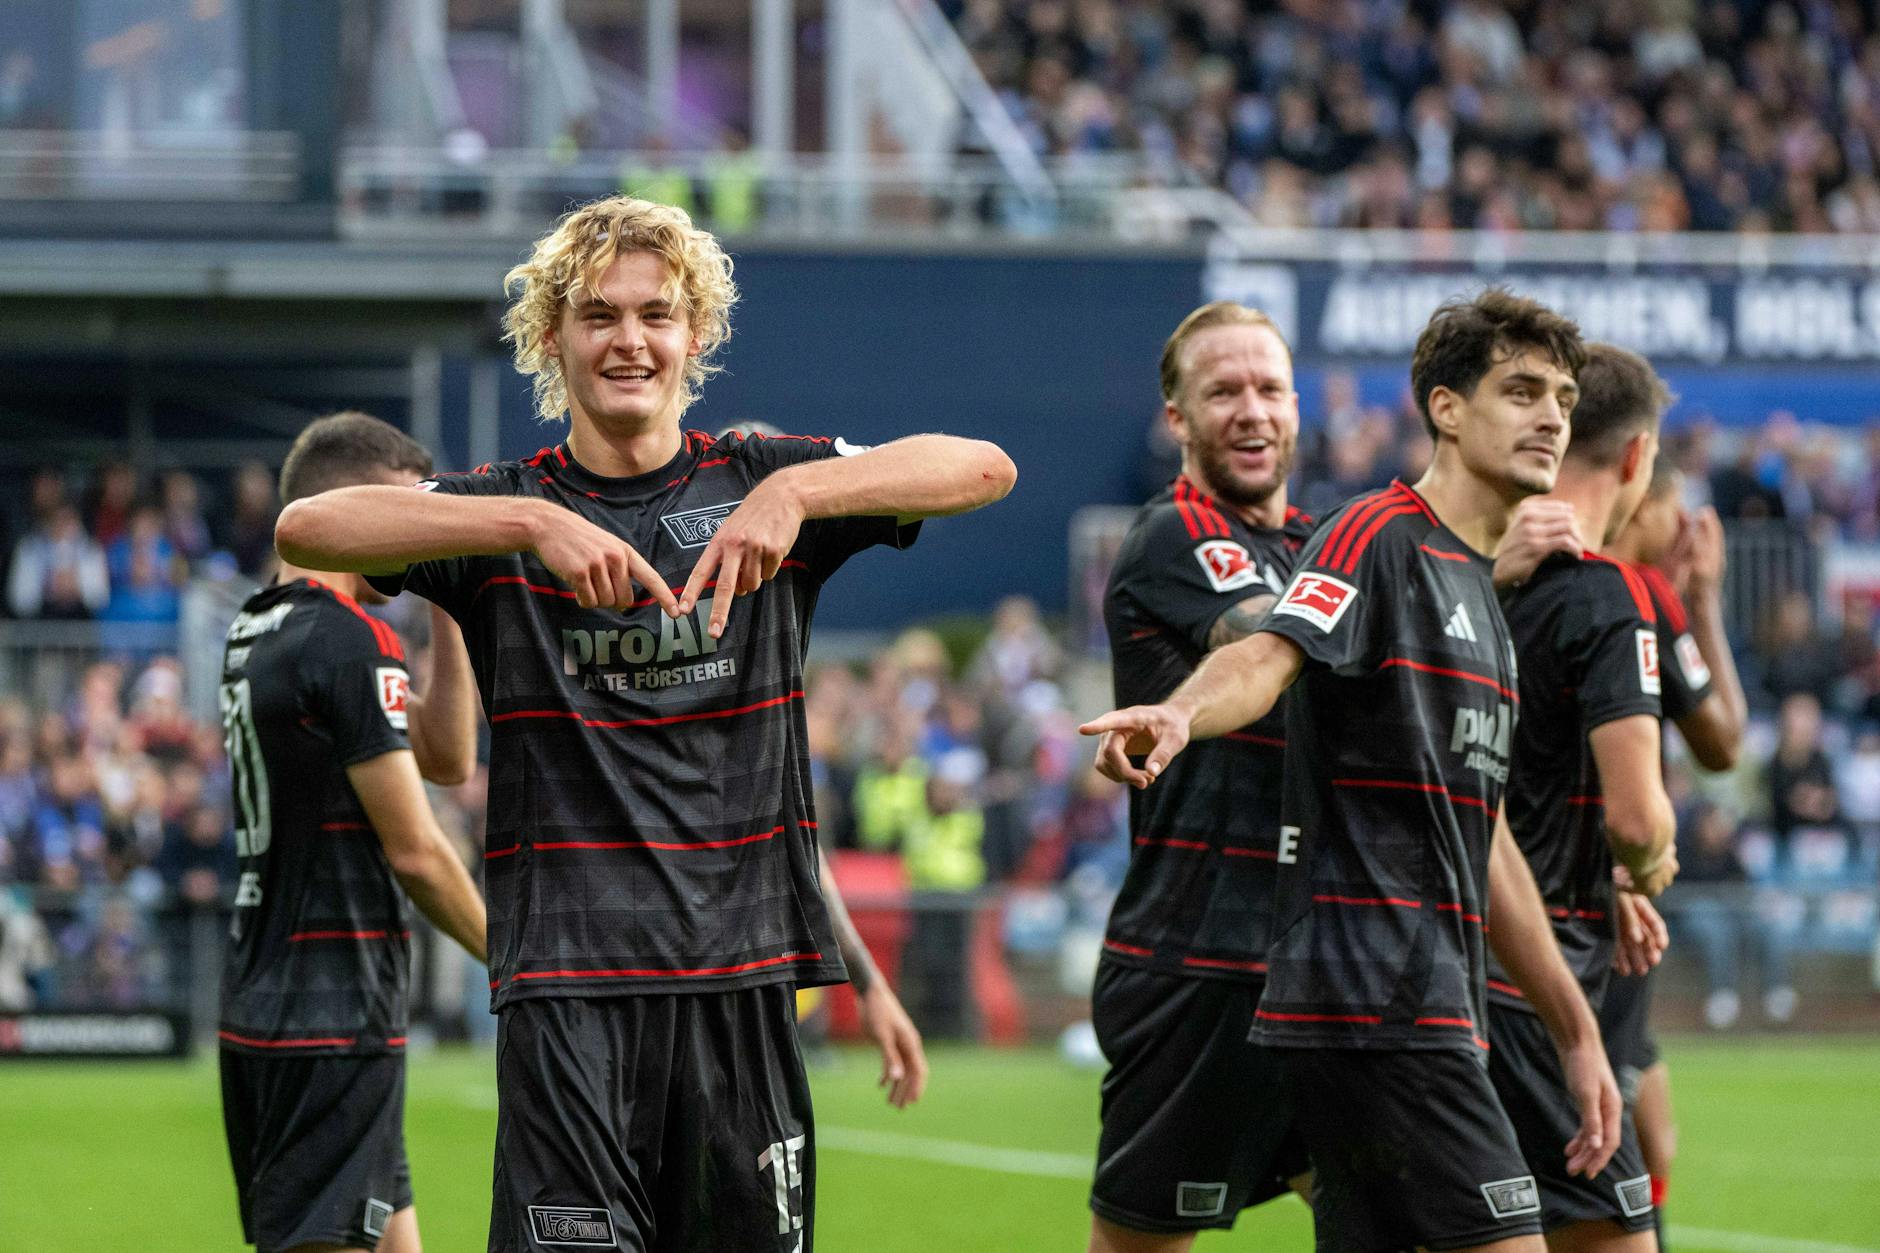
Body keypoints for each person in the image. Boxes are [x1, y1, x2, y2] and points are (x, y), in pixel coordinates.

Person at [275, 194, 1014, 1252]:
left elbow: (985, 465)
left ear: (695, 336)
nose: (630, 340)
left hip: (743, 980)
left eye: (656, 315)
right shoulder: (497, 510)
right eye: (598, 315)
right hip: (568, 988)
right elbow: (309, 526)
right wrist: (531, 523)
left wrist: (801, 491)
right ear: (549, 338)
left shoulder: (760, 482)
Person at [1082, 289, 1623, 1253]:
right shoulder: (1225, 536)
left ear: (1300, 407)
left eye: (1272, 389)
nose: (1252, 410)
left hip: (1338, 978)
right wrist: (1177, 710)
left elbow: (1476, 818)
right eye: (1224, 392)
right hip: (1217, 967)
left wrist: (1579, 999)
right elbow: (1274, 641)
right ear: (1177, 419)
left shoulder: (1376, 556)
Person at [218, 412, 488, 1253]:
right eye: (410, 516)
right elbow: (417, 850)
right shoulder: (348, 639)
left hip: (278, 1002)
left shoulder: (259, 626)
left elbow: (445, 758)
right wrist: (520, 960)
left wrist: (449, 602)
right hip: (332, 1021)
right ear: (353, 510)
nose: (418, 538)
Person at [1489, 343, 1683, 1249]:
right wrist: (1647, 860)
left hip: (1440, 968)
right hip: (1537, 984)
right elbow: (1639, 815)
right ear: (1638, 456)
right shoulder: (1605, 595)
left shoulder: (1470, 578)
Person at [1601, 456, 1749, 1234]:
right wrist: (1705, 597)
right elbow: (1723, 740)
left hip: (1615, 905)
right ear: (1639, 496)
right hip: (1602, 910)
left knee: (1654, 1137)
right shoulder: (1635, 593)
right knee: (1607, 1159)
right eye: (1676, 507)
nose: (1685, 526)